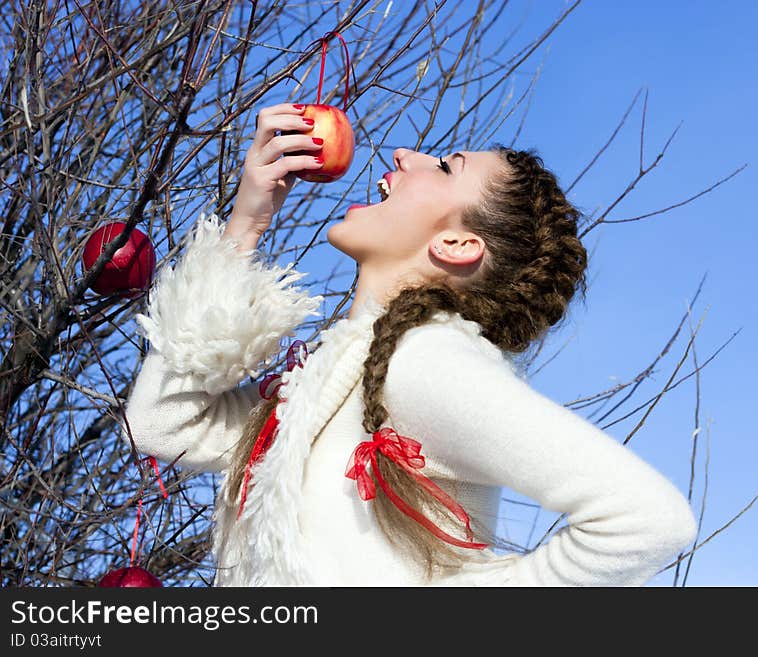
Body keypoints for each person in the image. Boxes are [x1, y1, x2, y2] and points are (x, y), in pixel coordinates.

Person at [125, 102, 698, 586]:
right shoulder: (328, 382)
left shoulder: (424, 362)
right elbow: (164, 424)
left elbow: (648, 519)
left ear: (455, 242)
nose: (406, 155)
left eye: (447, 167)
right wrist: (244, 228)